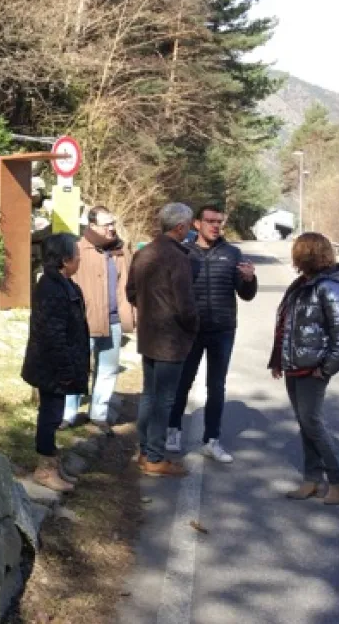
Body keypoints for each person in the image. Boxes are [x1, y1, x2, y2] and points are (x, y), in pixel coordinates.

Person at [166, 204, 257, 463]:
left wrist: (249, 279)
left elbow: (246, 295)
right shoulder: (184, 252)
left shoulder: (232, 253)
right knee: (183, 382)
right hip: (190, 330)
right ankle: (173, 430)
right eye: (210, 221)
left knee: (216, 387)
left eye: (219, 221)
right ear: (197, 224)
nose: (215, 226)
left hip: (222, 330)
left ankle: (212, 440)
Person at [269, 232, 339, 505]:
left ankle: (337, 481)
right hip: (295, 365)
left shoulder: (330, 287)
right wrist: (278, 360)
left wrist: (326, 368)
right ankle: (311, 480)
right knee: (305, 423)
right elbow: (286, 326)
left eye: (299, 251)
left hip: (313, 368)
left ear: (308, 254)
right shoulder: (301, 284)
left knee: (312, 423)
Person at [126, 203, 198, 477]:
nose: (190, 229)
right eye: (189, 225)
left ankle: (145, 451)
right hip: (171, 338)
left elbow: (131, 290)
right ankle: (155, 457)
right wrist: (193, 327)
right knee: (164, 399)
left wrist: (148, 308)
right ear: (180, 227)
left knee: (149, 394)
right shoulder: (178, 257)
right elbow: (185, 303)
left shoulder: (143, 253)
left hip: (149, 333)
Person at [21, 233, 91, 492]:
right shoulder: (50, 288)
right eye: (77, 254)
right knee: (50, 416)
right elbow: (53, 334)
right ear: (65, 259)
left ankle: (53, 462)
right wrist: (65, 369)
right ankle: (45, 469)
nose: (80, 258)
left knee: (55, 413)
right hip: (51, 366)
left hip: (62, 364)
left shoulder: (65, 284)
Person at [62, 206, 136, 432]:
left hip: (113, 321)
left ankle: (99, 413)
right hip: (83, 321)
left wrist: (132, 313)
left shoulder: (121, 251)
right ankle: (68, 415)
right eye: (107, 224)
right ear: (92, 225)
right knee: (76, 369)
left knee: (108, 369)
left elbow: (130, 285)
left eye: (113, 223)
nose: (112, 228)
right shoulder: (76, 249)